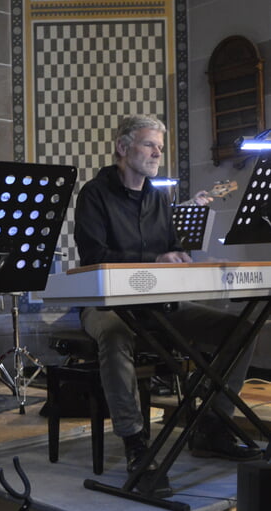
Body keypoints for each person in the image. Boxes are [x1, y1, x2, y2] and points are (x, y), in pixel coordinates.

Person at [74, 114, 261, 490]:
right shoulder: (94, 195)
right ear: (123, 148)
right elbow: (95, 255)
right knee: (113, 337)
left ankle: (211, 424)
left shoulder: (158, 198)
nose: (157, 153)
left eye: (160, 147)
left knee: (241, 328)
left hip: (157, 306)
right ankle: (136, 443)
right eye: (149, 144)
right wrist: (155, 261)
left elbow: (171, 249)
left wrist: (182, 258)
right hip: (105, 305)